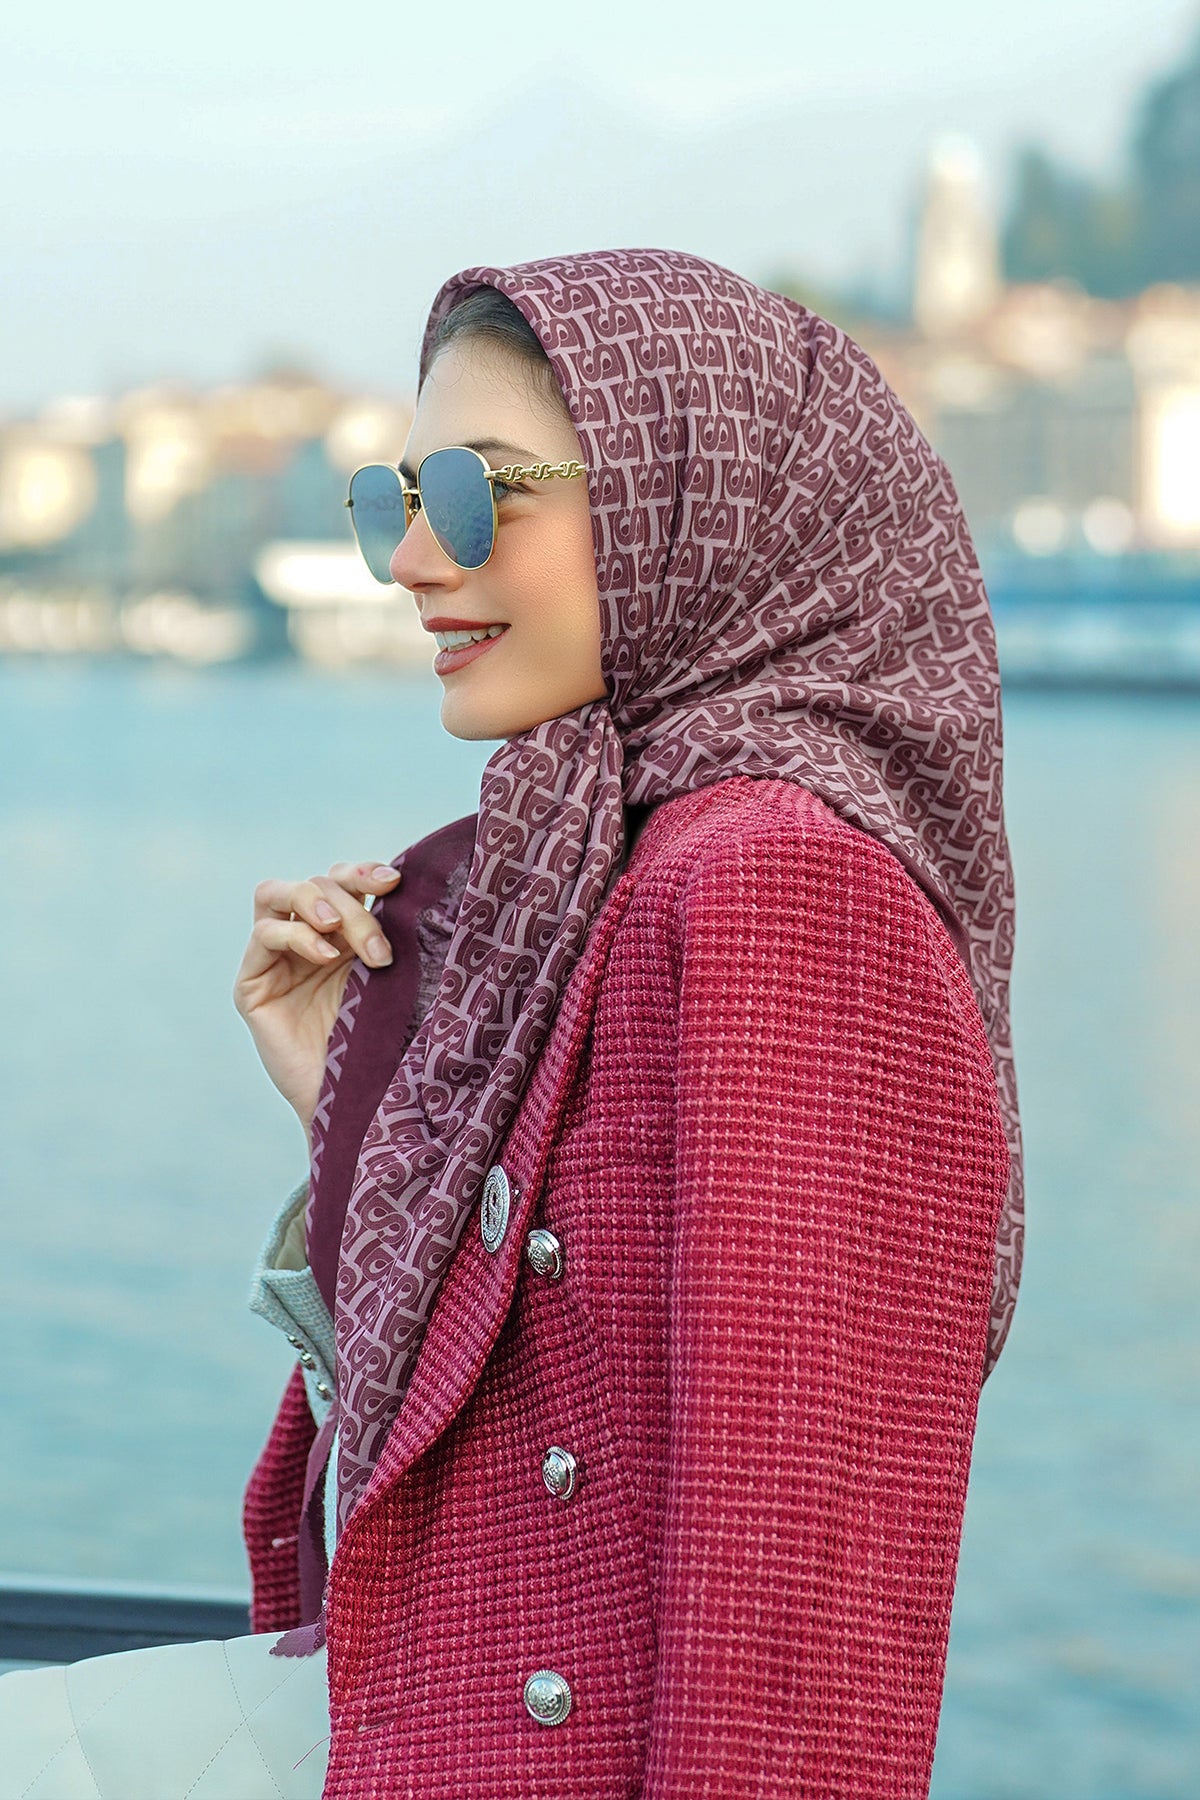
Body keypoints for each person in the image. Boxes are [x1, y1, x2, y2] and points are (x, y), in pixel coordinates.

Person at [0, 246, 1022, 1799]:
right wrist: (357, 1104)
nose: (411, 560)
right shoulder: (603, 866)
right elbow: (504, 1432)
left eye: (477, 497)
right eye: (395, 499)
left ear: (688, 504)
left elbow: (793, 1619)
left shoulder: (783, 887)